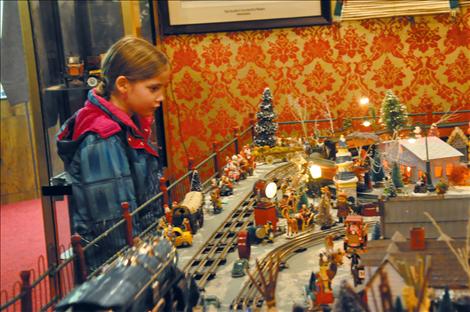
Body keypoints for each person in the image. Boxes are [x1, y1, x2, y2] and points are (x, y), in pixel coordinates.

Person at [57, 37, 170, 266]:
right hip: (121, 267)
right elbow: (115, 223)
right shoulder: (102, 137)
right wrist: (143, 261)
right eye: (154, 88)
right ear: (123, 85)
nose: (161, 98)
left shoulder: (126, 124)